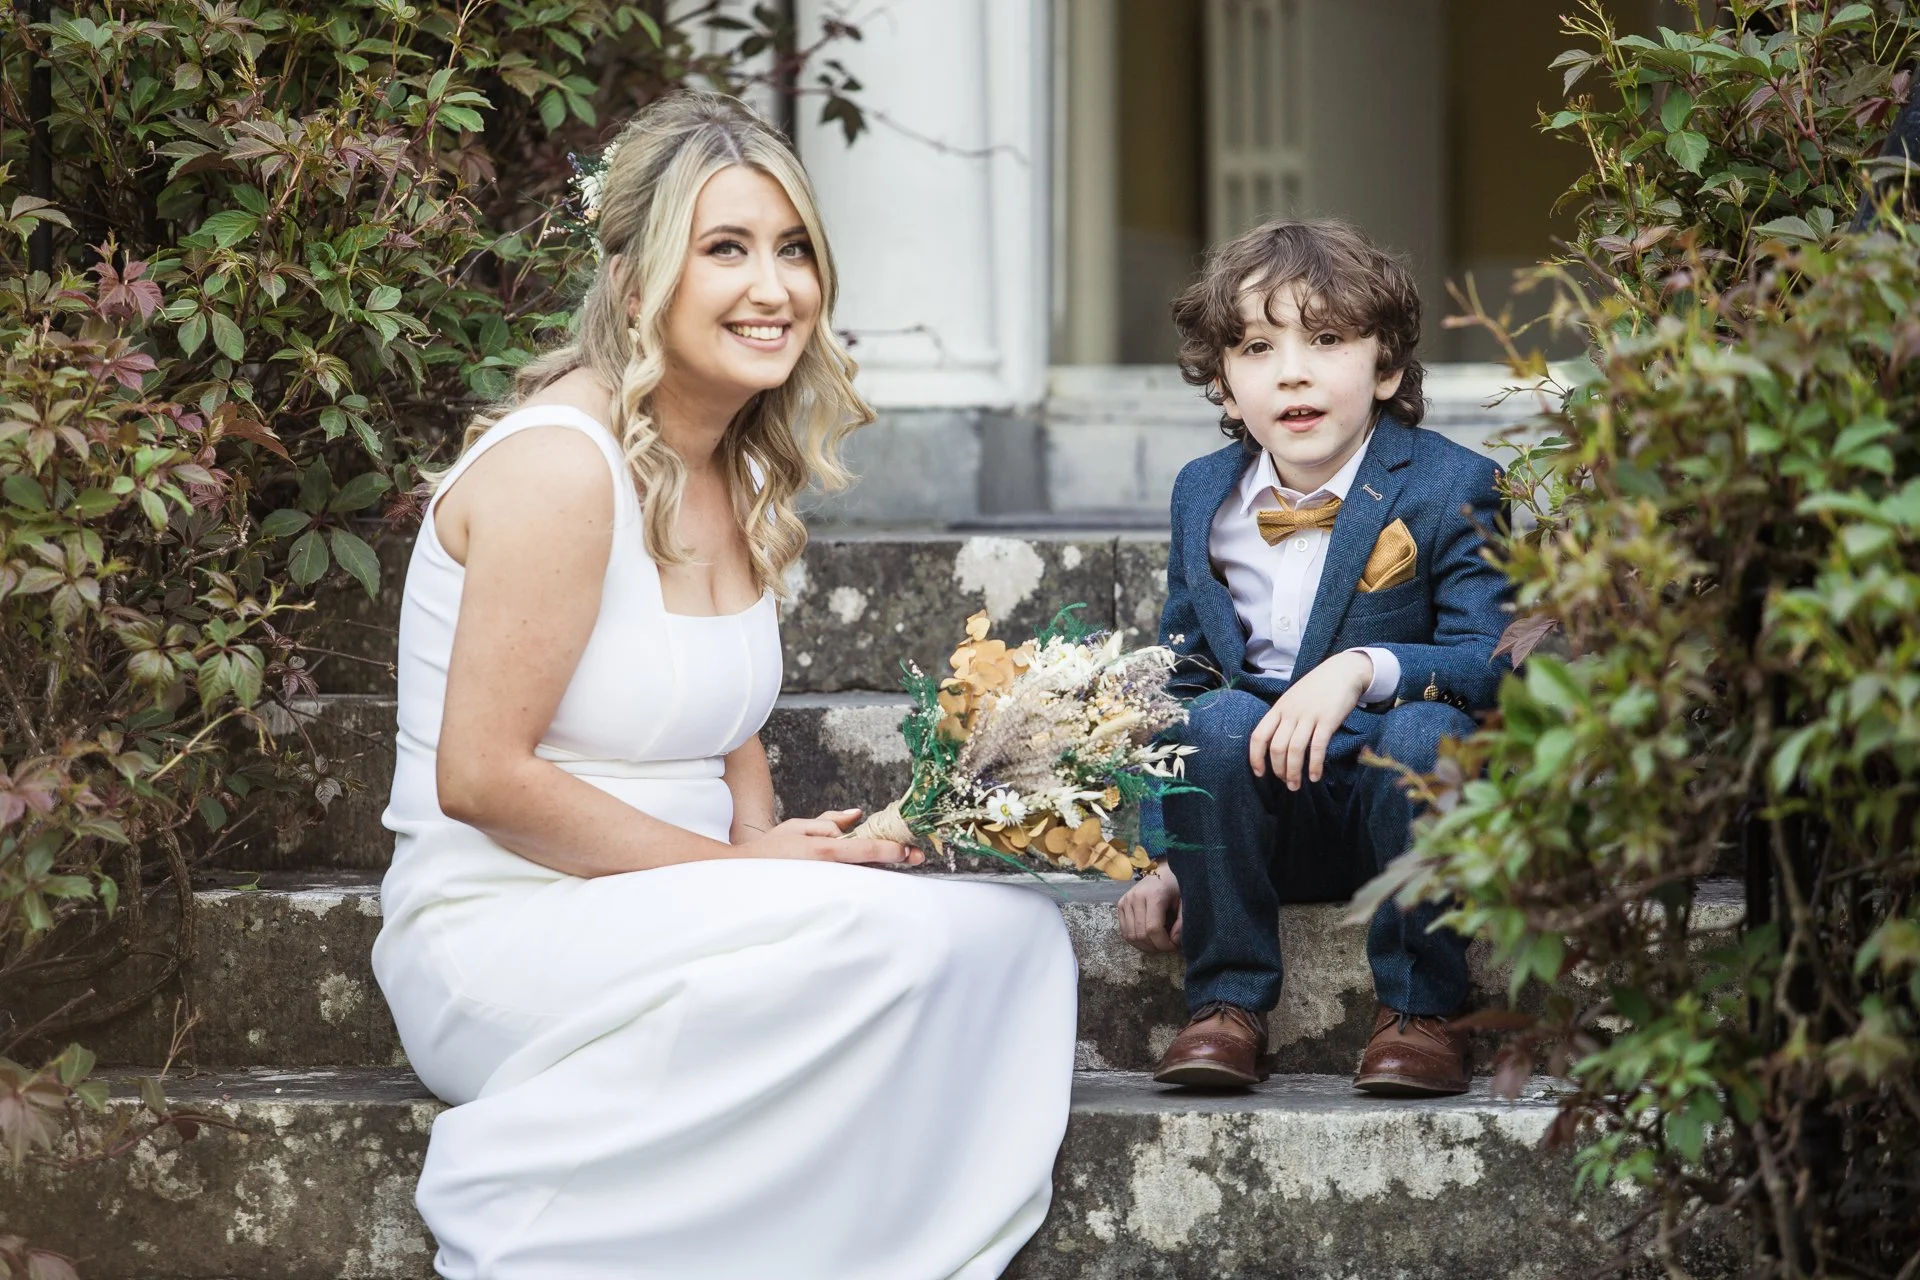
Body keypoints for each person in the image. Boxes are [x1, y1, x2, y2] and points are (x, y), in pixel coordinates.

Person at [370, 91, 1077, 1279]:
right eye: (727, 249)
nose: (774, 287)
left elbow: (724, 716)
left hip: (681, 904)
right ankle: (527, 1204)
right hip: (508, 928)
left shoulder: (731, 468)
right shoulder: (562, 466)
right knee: (887, 947)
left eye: (793, 248)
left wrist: (762, 837)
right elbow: (482, 778)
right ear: (635, 280)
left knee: (1014, 938)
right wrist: (743, 869)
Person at [1114, 219, 1510, 1096]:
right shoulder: (1202, 493)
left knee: (1425, 734)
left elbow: (1493, 663)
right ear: (1225, 387)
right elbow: (1180, 679)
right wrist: (1165, 854)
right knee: (1214, 718)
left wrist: (1364, 666)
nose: (1292, 371)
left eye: (1326, 340)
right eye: (1257, 348)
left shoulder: (1453, 484)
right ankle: (1226, 1005)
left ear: (1386, 369)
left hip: (1397, 810)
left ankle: (1419, 1014)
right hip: (1258, 822)